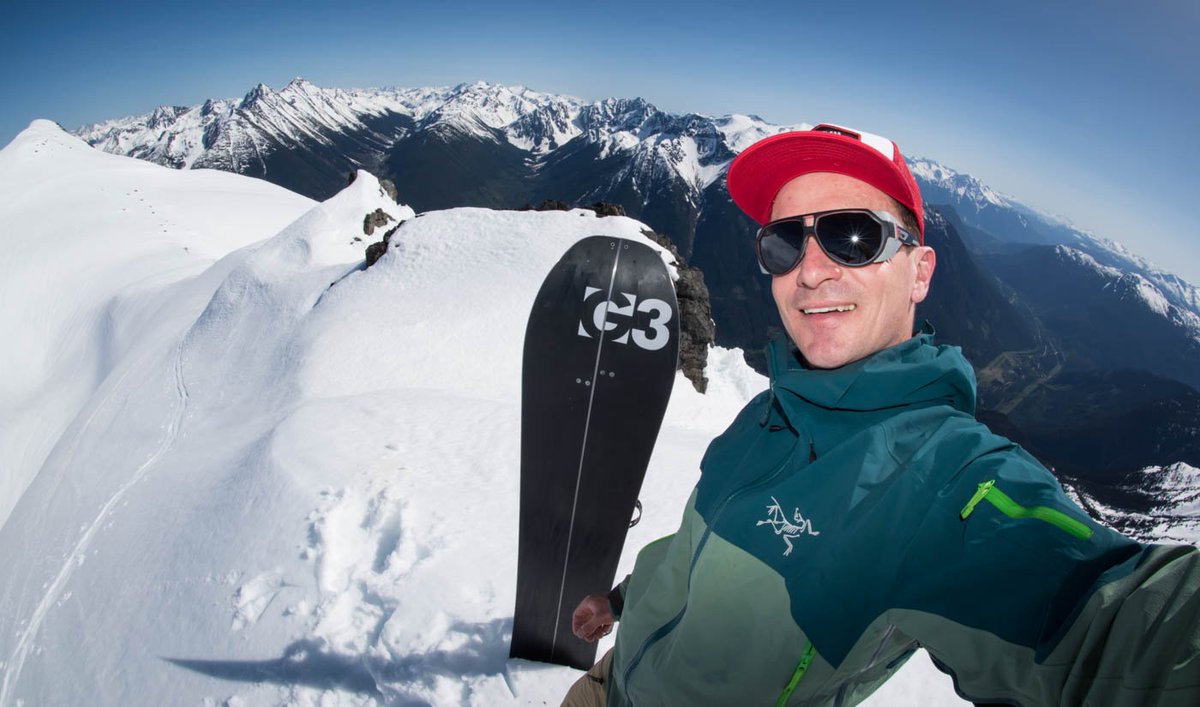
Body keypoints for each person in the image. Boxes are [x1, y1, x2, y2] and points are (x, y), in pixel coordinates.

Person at [562, 124, 1200, 706]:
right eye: (784, 242)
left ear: (920, 272)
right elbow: (708, 538)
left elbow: (1110, 629)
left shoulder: (940, 479)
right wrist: (623, 600)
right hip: (609, 681)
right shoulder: (766, 411)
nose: (810, 269)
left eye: (853, 235)